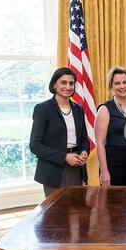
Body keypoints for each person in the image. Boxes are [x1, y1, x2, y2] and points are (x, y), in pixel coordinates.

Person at [30, 67, 89, 197]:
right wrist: (65, 157)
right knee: (56, 214)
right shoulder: (43, 109)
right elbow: (35, 146)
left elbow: (84, 138)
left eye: (71, 83)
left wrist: (84, 151)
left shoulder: (78, 109)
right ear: (54, 85)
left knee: (76, 211)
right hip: (53, 170)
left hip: (76, 167)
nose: (68, 86)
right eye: (63, 82)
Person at [95, 66, 126, 186]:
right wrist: (104, 172)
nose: (122, 86)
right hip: (114, 168)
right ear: (111, 86)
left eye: (125, 82)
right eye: (117, 83)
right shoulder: (105, 109)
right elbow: (99, 143)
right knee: (113, 203)